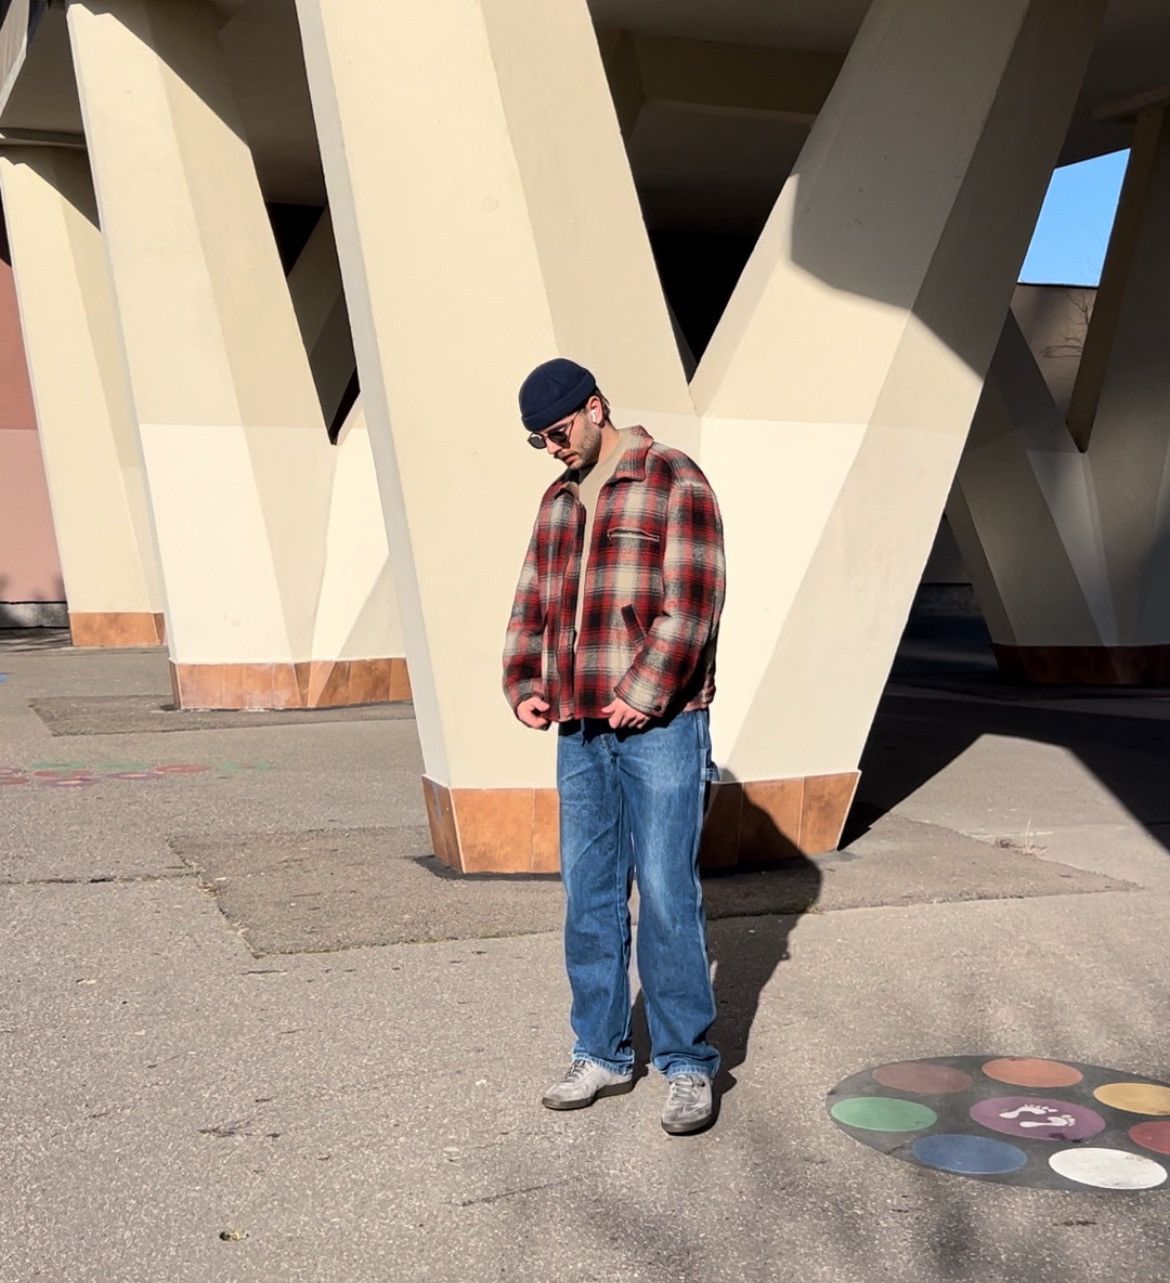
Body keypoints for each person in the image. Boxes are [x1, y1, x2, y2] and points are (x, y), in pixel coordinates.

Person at [502, 357, 726, 1136]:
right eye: (540, 440)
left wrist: (643, 689)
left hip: (661, 726)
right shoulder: (559, 499)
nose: (553, 448)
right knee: (589, 895)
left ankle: (688, 1063)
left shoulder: (673, 478)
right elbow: (532, 595)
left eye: (557, 432)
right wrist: (524, 677)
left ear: (595, 408)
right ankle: (598, 1051)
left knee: (667, 892)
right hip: (579, 727)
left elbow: (693, 600)